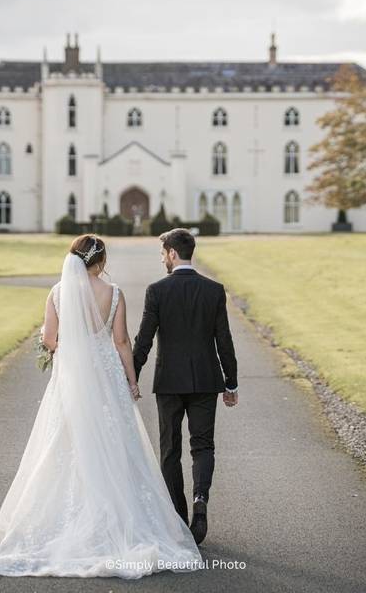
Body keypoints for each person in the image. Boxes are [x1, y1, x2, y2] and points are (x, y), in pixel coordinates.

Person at [0, 234, 203, 579]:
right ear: (101, 261)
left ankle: (63, 522)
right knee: (115, 445)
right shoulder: (114, 294)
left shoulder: (58, 293)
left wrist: (48, 339)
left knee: (64, 445)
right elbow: (122, 341)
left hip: (72, 382)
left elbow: (51, 340)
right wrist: (131, 380)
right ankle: (124, 521)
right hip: (107, 378)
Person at [132, 228, 239, 545]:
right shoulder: (214, 290)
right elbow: (225, 342)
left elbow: (144, 341)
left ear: (173, 254)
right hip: (206, 380)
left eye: (163, 252)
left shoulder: (157, 291)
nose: (162, 258)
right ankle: (200, 500)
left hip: (169, 382)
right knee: (203, 446)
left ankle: (179, 518)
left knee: (170, 449)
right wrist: (230, 383)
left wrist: (130, 378)